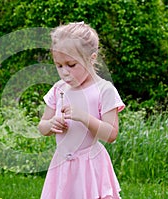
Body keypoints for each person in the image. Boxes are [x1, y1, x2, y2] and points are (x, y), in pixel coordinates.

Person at [38, 22, 125, 199]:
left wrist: (83, 117)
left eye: (71, 64)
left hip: (90, 166)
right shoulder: (58, 89)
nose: (65, 72)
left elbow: (111, 134)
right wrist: (51, 124)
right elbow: (42, 126)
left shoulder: (104, 90)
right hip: (62, 163)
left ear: (91, 58)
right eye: (59, 65)